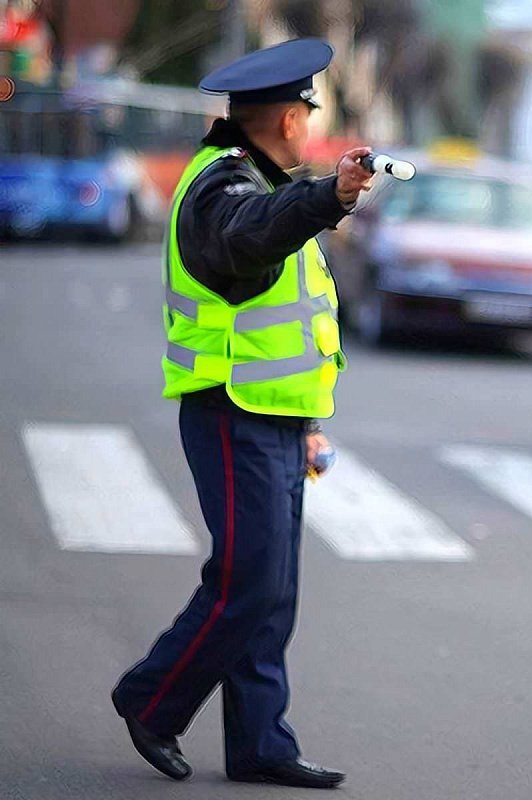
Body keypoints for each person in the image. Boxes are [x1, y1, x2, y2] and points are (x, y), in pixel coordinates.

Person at [110, 38, 374, 789]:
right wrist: (328, 196)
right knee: (247, 581)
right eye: (303, 110)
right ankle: (150, 701)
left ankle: (261, 743)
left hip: (277, 415)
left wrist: (310, 421)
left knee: (271, 588)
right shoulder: (220, 188)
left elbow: (293, 316)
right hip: (231, 411)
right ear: (290, 119)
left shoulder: (259, 179)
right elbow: (248, 239)